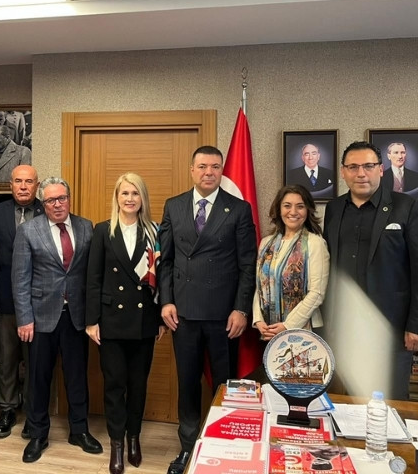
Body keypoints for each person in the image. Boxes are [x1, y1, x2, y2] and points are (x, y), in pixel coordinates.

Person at [158, 146, 257, 474]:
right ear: (192, 170)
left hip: (223, 315)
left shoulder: (238, 209)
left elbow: (247, 264)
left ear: (221, 170)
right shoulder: (173, 206)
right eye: (202, 166)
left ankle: (222, 445)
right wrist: (166, 300)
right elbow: (165, 260)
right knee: (187, 383)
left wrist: (241, 309)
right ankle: (188, 447)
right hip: (183, 314)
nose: (208, 172)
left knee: (223, 385)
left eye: (215, 167)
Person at [322, 141, 418, 399]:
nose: (361, 173)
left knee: (390, 403)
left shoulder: (406, 206)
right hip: (345, 325)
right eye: (353, 167)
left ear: (381, 169)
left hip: (390, 327)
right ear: (343, 172)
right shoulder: (334, 208)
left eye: (368, 166)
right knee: (345, 401)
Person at [11, 177, 102, 463]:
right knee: (39, 379)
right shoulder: (28, 231)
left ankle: (79, 430)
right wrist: (24, 319)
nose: (57, 204)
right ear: (44, 203)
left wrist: (93, 316)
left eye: (62, 198)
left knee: (77, 377)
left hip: (76, 317)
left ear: (69, 199)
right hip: (40, 318)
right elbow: (20, 279)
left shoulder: (86, 227)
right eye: (50, 200)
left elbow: (91, 274)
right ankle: (38, 434)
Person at [86, 173, 167, 474]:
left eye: (135, 193)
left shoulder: (155, 232)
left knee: (138, 384)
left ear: (142, 198)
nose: (130, 199)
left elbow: (162, 278)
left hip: (145, 320)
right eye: (125, 193)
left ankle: (134, 437)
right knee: (114, 385)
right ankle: (117, 443)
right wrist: (92, 321)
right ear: (117, 198)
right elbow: (93, 279)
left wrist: (161, 318)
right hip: (111, 321)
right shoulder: (103, 230)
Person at [0, 165, 44, 440]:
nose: (23, 186)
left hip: (40, 301)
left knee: (35, 360)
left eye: (29, 182)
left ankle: (33, 412)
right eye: (18, 181)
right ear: (10, 185)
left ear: (37, 185)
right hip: (6, 297)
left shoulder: (48, 210)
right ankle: (7, 408)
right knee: (7, 357)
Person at [252, 185, 329, 342]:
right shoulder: (266, 243)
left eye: (300, 206)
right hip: (268, 331)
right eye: (287, 206)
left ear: (308, 210)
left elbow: (317, 293)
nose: (293, 212)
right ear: (279, 209)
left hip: (303, 332)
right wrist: (258, 320)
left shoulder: (315, 243)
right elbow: (260, 286)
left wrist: (288, 326)